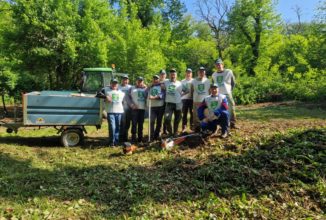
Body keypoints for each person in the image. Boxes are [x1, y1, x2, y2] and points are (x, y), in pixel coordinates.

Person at [212, 58, 237, 129]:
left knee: (231, 108)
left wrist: (230, 90)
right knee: (220, 109)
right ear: (215, 66)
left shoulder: (229, 72)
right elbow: (214, 85)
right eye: (217, 65)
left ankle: (232, 123)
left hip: (227, 93)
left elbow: (233, 82)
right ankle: (221, 124)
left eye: (219, 64)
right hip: (219, 95)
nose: (218, 66)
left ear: (222, 64)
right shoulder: (214, 74)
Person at [103, 79, 125, 146]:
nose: (114, 85)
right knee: (112, 127)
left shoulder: (121, 92)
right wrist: (105, 97)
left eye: (116, 83)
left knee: (118, 127)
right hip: (110, 111)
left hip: (119, 111)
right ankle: (111, 142)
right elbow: (98, 94)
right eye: (113, 83)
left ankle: (116, 141)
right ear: (110, 84)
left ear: (117, 84)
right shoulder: (106, 90)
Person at [163, 68, 183, 137]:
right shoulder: (166, 82)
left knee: (177, 119)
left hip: (178, 103)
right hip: (169, 103)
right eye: (171, 74)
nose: (172, 76)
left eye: (174, 74)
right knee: (167, 119)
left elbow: (186, 90)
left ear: (176, 75)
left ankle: (175, 132)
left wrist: (182, 95)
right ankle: (170, 132)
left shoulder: (179, 83)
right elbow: (158, 83)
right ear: (169, 75)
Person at [191, 67, 211, 132]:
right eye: (200, 71)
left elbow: (209, 91)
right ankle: (197, 128)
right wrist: (193, 99)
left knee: (205, 114)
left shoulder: (207, 81)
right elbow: (192, 91)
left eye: (203, 71)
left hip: (205, 101)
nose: (201, 73)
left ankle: (205, 127)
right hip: (196, 101)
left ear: (204, 72)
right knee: (196, 116)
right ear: (198, 72)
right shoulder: (193, 81)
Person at [146, 75, 165, 140]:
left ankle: (157, 134)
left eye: (156, 79)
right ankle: (151, 134)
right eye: (154, 79)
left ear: (158, 80)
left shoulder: (161, 86)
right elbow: (145, 93)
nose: (155, 80)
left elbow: (161, 96)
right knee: (152, 121)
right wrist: (147, 87)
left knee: (159, 121)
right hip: (152, 107)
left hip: (160, 106)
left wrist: (153, 98)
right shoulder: (150, 87)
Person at [129, 77, 147, 143]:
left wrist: (146, 87)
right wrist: (131, 104)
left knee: (141, 124)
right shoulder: (132, 88)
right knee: (134, 123)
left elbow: (148, 95)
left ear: (143, 82)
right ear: (136, 81)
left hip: (142, 109)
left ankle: (140, 137)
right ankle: (133, 137)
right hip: (134, 109)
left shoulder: (145, 88)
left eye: (141, 81)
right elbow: (128, 97)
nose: (140, 82)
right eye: (138, 81)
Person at [119, 75, 132, 142]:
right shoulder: (118, 87)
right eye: (124, 79)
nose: (125, 81)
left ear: (128, 80)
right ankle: (121, 137)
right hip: (120, 107)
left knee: (127, 123)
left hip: (128, 108)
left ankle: (126, 136)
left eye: (126, 80)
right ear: (122, 80)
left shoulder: (130, 87)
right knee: (122, 122)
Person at [181, 68, 194, 133]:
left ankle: (192, 127)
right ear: (185, 73)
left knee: (192, 113)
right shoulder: (182, 81)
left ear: (191, 74)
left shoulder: (194, 81)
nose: (188, 74)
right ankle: (184, 127)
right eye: (187, 72)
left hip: (192, 99)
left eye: (190, 72)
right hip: (184, 99)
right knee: (184, 114)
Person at [159, 69, 169, 135]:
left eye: (164, 74)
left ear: (165, 75)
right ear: (159, 75)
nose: (162, 75)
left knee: (166, 116)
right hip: (159, 102)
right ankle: (159, 130)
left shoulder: (168, 81)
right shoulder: (157, 81)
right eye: (161, 74)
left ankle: (165, 130)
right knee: (159, 116)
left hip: (167, 101)